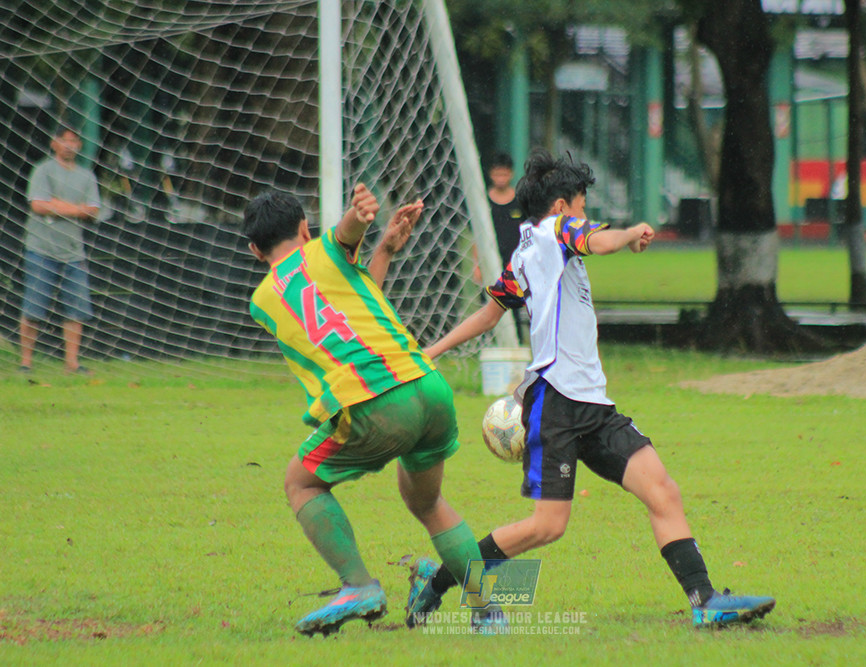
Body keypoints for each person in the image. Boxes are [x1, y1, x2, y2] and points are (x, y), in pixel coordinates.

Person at [408, 150, 776, 629]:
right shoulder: (557, 231)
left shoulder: (528, 251)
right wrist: (629, 234)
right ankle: (437, 581)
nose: (584, 215)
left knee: (663, 490)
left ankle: (704, 601)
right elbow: (594, 243)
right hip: (556, 403)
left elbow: (490, 312)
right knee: (547, 527)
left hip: (593, 405)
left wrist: (431, 351)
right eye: (581, 205)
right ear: (562, 205)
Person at [242, 186, 498, 636]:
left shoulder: (262, 301)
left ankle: (358, 585)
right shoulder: (327, 251)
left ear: (254, 250)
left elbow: (341, 243)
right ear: (304, 227)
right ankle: (489, 613)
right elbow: (349, 271)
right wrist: (365, 231)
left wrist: (358, 224)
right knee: (428, 501)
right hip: (429, 386)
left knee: (300, 482)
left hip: (375, 400)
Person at [19, 125, 101, 375]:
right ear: (54, 143)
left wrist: (58, 204)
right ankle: (25, 363)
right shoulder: (43, 170)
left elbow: (93, 210)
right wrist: (75, 209)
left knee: (76, 310)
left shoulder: (86, 176)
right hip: (40, 249)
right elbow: (38, 206)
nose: (70, 145)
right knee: (34, 308)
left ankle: (72, 364)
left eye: (74, 141)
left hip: (73, 251)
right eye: (65, 141)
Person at [486, 152, 525, 342]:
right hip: (491, 261)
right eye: (497, 174)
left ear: (510, 174)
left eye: (504, 174)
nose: (500, 178)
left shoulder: (520, 202)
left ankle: (515, 344)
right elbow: (477, 236)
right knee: (489, 305)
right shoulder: (484, 202)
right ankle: (489, 344)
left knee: (514, 305)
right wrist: (478, 263)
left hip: (515, 263)